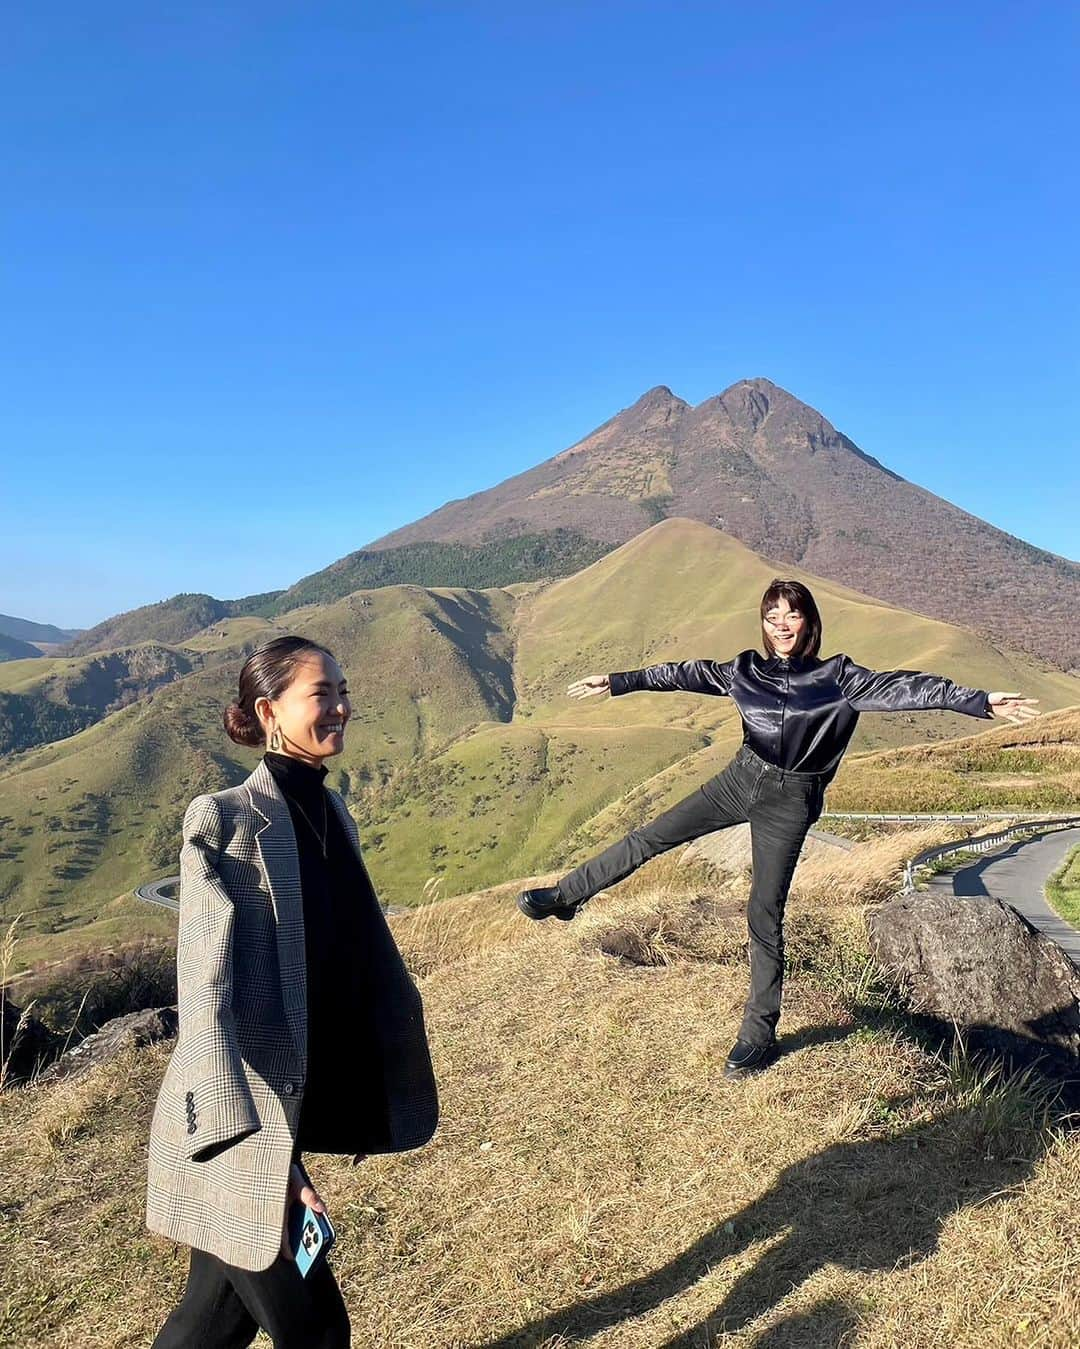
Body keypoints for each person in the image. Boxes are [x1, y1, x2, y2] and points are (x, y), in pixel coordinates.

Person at [518, 580, 1039, 1080]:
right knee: (649, 837)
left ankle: (759, 1035)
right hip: (742, 776)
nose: (782, 624)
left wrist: (980, 701)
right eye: (772, 616)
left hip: (792, 798)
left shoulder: (839, 677)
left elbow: (909, 687)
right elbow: (686, 672)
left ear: (810, 621)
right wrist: (617, 682)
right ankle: (564, 897)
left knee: (763, 912)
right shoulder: (746, 669)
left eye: (792, 614)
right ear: (763, 624)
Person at [147, 635, 438, 1349]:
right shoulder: (225, 821)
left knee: (206, 1324)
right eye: (322, 693)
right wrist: (263, 1161)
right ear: (268, 710)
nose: (341, 705)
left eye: (344, 689)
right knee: (317, 1330)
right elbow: (206, 1000)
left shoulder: (333, 812)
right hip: (239, 1119)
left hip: (291, 1106)